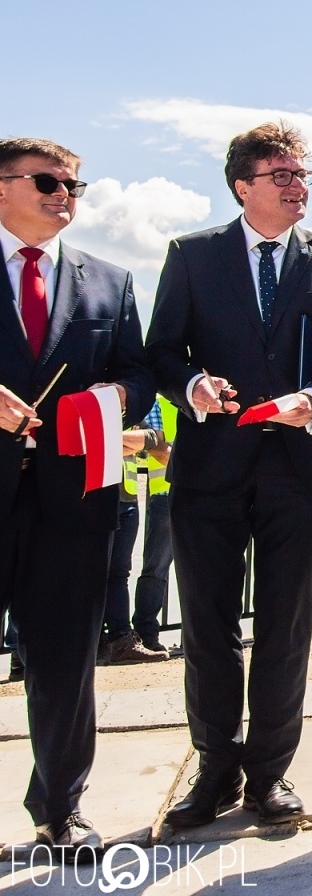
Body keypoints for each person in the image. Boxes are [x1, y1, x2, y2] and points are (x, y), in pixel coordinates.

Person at [146, 121, 312, 829]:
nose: (299, 187)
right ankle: (214, 769)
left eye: (304, 177)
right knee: (206, 625)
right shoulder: (192, 255)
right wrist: (192, 386)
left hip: (299, 468)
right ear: (244, 186)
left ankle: (270, 773)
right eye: (284, 176)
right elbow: (160, 352)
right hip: (211, 466)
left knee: (286, 625)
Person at [0, 137, 155, 855]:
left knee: (65, 662)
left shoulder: (111, 281)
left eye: (74, 186)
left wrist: (114, 396)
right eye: (48, 182)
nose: (65, 194)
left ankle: (60, 808)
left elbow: (138, 374)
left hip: (74, 501)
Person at [103, 397, 176, 664]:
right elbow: (157, 447)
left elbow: (153, 439)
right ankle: (128, 636)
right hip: (159, 490)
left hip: (131, 491)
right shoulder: (152, 400)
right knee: (138, 569)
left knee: (123, 571)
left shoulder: (140, 400)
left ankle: (129, 637)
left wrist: (121, 440)